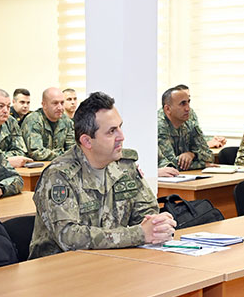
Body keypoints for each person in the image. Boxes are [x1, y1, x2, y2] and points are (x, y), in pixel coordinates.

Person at [29, 91, 175, 258]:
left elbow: (146, 211)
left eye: (120, 127)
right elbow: (69, 236)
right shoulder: (59, 176)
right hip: (58, 269)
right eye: (111, 131)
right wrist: (138, 234)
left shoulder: (124, 166)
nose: (121, 136)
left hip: (109, 261)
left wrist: (158, 225)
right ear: (87, 141)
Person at [157, 86, 214, 173]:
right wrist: (202, 165)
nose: (188, 108)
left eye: (188, 102)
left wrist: (192, 154)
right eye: (182, 104)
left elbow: (208, 156)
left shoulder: (189, 122)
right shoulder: (160, 125)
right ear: (168, 109)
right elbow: (170, 165)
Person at [21, 87, 76, 161]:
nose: (60, 107)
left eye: (62, 103)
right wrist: (63, 156)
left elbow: (73, 150)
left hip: (60, 167)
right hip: (38, 169)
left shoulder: (66, 121)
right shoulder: (33, 120)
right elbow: (36, 153)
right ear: (44, 105)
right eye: (55, 103)